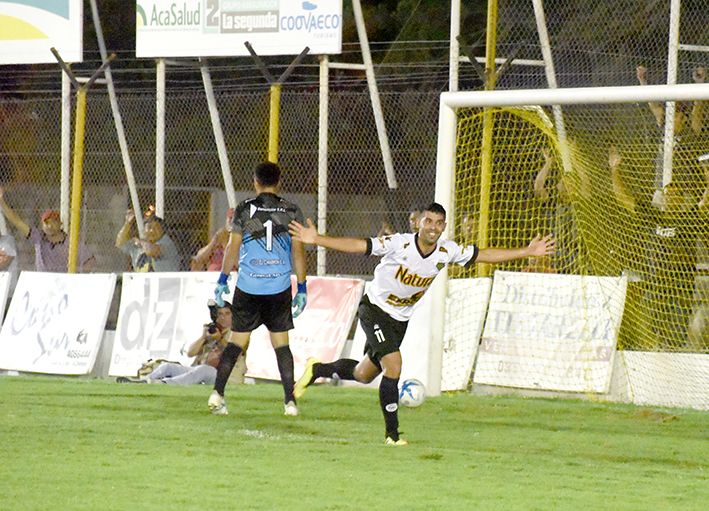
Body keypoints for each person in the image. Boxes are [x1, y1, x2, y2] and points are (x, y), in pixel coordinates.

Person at [289, 202, 555, 445]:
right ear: (419, 223)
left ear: (444, 226)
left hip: (400, 319)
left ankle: (317, 369)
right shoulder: (399, 244)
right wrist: (318, 239)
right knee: (393, 365)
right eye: (429, 221)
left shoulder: (446, 251)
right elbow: (360, 246)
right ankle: (392, 435)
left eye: (439, 223)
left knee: (364, 374)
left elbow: (483, 254)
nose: (433, 228)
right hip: (374, 309)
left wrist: (528, 251)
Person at [208, 161, 307, 417]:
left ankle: (217, 394)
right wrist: (303, 287)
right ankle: (290, 402)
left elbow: (233, 247)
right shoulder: (291, 210)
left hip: (249, 287)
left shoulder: (244, 209)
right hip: (278, 287)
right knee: (281, 346)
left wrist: (222, 279)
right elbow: (298, 252)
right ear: (279, 182)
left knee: (236, 343)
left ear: (255, 181)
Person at [610, 146, 709, 349]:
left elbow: (705, 203)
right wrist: (614, 170)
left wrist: (707, 175)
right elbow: (623, 199)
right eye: (666, 193)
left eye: (674, 194)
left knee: (675, 341)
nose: (669, 197)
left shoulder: (687, 218)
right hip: (655, 287)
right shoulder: (652, 216)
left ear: (681, 200)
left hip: (680, 290)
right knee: (650, 337)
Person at [117, 301, 246, 385]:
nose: (223, 317)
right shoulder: (213, 331)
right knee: (167, 366)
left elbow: (236, 351)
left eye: (227, 314)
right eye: (220, 314)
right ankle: (144, 382)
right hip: (204, 374)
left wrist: (219, 339)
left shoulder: (238, 332)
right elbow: (191, 353)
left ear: (233, 315)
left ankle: (164, 384)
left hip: (228, 379)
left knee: (204, 370)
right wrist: (203, 337)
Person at [636, 65, 706, 206]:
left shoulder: (690, 130)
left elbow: (698, 107)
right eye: (669, 115)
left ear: (683, 118)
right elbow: (653, 105)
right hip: (661, 188)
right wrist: (642, 81)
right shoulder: (664, 126)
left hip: (684, 190)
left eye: (675, 115)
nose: (670, 118)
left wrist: (700, 83)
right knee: (659, 220)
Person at [0, 186, 95, 272]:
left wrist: (76, 276)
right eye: (46, 223)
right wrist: (2, 202)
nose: (50, 226)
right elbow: (17, 221)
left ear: (60, 224)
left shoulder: (70, 242)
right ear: (42, 225)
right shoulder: (38, 237)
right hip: (43, 283)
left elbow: (90, 260)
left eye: (53, 222)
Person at [115, 209, 180, 272]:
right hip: (141, 281)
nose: (152, 230)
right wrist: (127, 223)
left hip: (163, 282)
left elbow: (150, 251)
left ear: (162, 231)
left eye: (156, 228)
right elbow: (119, 243)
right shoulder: (138, 244)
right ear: (144, 231)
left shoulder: (165, 242)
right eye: (149, 227)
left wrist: (139, 242)